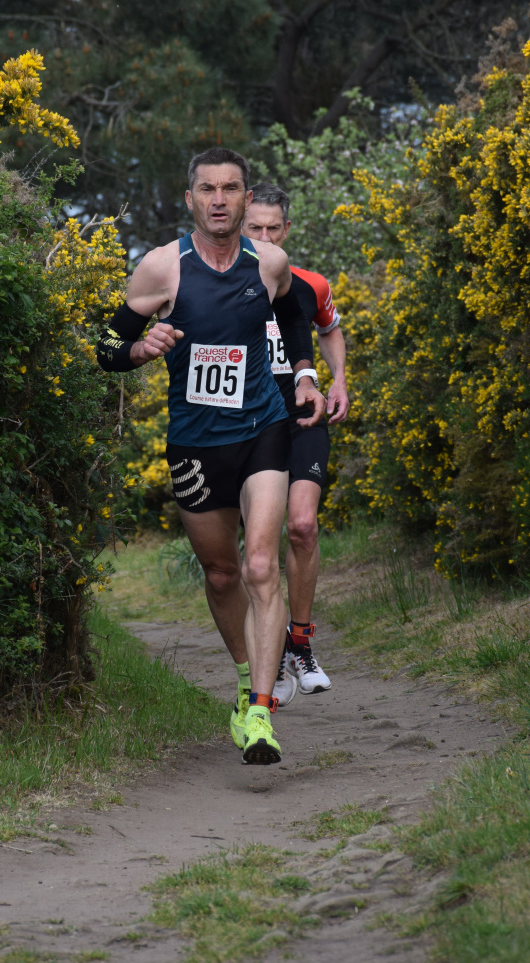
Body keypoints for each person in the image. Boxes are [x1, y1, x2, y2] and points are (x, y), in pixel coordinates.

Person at [95, 148, 325, 765]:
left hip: (262, 429)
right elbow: (105, 346)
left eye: (230, 189)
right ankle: (248, 677)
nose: (219, 200)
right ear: (190, 198)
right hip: (196, 443)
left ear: (247, 198)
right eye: (207, 189)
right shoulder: (161, 268)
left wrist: (305, 373)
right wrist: (140, 350)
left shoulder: (268, 263)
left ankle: (261, 712)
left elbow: (293, 315)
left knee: (260, 566)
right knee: (222, 574)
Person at [243, 182, 350, 703]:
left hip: (301, 415)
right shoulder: (220, 281)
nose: (264, 238)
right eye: (254, 228)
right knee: (257, 551)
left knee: (303, 527)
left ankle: (300, 646)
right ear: (239, 226)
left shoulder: (310, 284)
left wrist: (339, 379)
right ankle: (268, 663)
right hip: (246, 425)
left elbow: (328, 328)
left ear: (287, 230)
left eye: (273, 229)